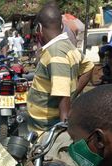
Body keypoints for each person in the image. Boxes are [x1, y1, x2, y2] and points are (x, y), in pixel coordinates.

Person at [27, 3, 94, 135]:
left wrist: (62, 132)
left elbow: (63, 97)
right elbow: (89, 67)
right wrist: (73, 93)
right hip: (46, 126)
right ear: (62, 26)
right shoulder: (67, 46)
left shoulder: (55, 54)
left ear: (39, 28)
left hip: (46, 130)